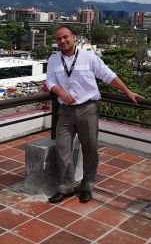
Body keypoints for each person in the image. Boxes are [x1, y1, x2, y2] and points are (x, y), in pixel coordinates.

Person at [45, 26, 141, 204]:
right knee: (63, 148)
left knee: (90, 150)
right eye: (59, 39)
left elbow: (107, 75)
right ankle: (66, 187)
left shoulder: (88, 57)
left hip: (87, 109)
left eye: (65, 37)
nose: (62, 41)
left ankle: (87, 186)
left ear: (74, 37)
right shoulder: (53, 60)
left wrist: (127, 92)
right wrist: (60, 92)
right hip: (65, 112)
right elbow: (50, 81)